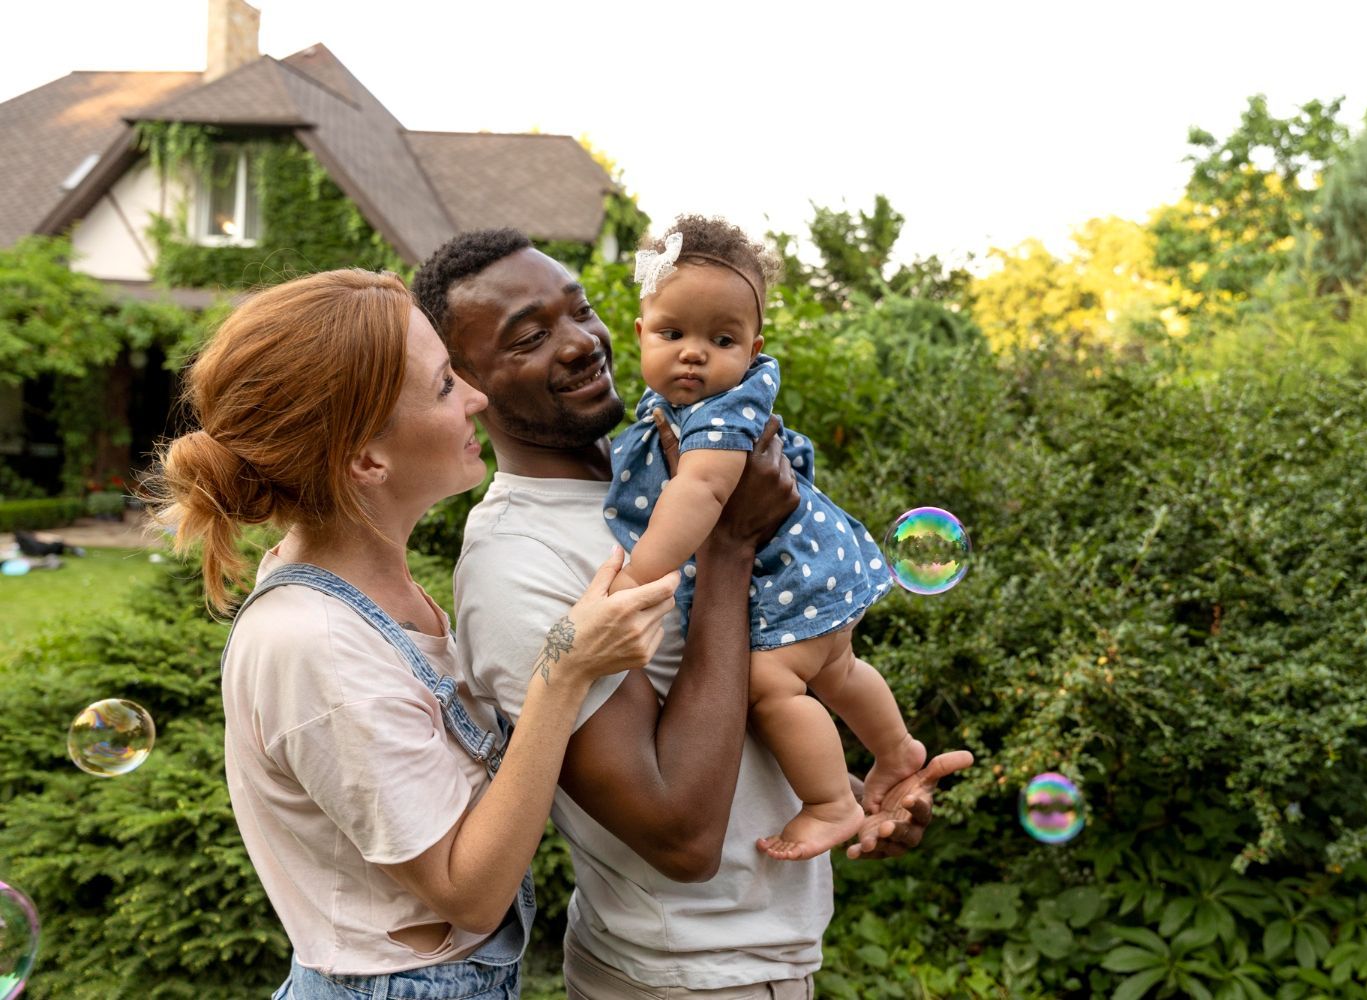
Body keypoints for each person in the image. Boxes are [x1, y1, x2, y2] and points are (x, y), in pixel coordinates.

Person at [412, 230, 972, 997]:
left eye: (579, 311)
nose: (579, 343)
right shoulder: (518, 565)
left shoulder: (665, 463)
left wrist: (851, 788)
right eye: (531, 338)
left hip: (769, 965)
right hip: (680, 979)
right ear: (468, 382)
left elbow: (738, 697)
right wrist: (728, 547)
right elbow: (678, 834)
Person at [146, 269, 679, 999]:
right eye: (443, 387)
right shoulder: (317, 644)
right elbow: (468, 893)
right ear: (366, 459)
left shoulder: (374, 594)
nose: (477, 398)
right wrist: (565, 669)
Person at [606, 215, 926, 861]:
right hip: (808, 568)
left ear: (753, 350)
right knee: (837, 665)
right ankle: (897, 750)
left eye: (720, 339)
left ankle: (831, 802)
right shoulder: (679, 405)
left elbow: (699, 495)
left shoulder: (727, 413)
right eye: (673, 334)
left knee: (769, 684)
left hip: (788, 579)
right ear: (640, 335)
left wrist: (635, 579)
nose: (693, 352)